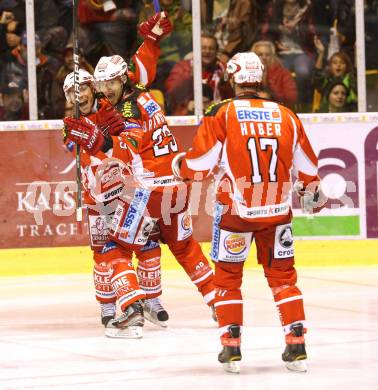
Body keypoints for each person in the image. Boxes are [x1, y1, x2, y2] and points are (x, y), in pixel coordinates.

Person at [171, 52, 327, 373]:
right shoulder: (287, 115)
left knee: (227, 279)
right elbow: (309, 171)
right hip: (278, 210)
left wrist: (179, 166)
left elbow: (199, 165)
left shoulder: (221, 113)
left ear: (232, 79)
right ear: (261, 78)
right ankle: (296, 344)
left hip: (235, 211)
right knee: (283, 278)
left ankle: (232, 348)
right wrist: (309, 190)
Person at [65, 50, 217, 321]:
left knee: (113, 246)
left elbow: (130, 145)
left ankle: (133, 304)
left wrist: (106, 142)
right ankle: (218, 301)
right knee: (185, 248)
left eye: (111, 82)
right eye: (101, 84)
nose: (105, 89)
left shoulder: (127, 108)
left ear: (123, 79)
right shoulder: (145, 95)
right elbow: (141, 71)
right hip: (175, 187)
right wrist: (152, 41)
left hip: (147, 192)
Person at [61, 13, 173, 336]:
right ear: (67, 99)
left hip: (127, 191)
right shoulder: (70, 126)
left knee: (147, 244)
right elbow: (75, 146)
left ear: (93, 88)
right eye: (72, 93)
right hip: (98, 200)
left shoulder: (111, 109)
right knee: (103, 251)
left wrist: (103, 125)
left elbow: (124, 135)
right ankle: (109, 306)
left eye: (83, 88)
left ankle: (150, 300)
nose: (78, 95)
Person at [251, 40, 297, 107]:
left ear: (273, 57)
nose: (264, 58)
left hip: (277, 109)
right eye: (260, 55)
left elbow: (291, 98)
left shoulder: (283, 73)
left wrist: (271, 95)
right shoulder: (248, 73)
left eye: (267, 55)